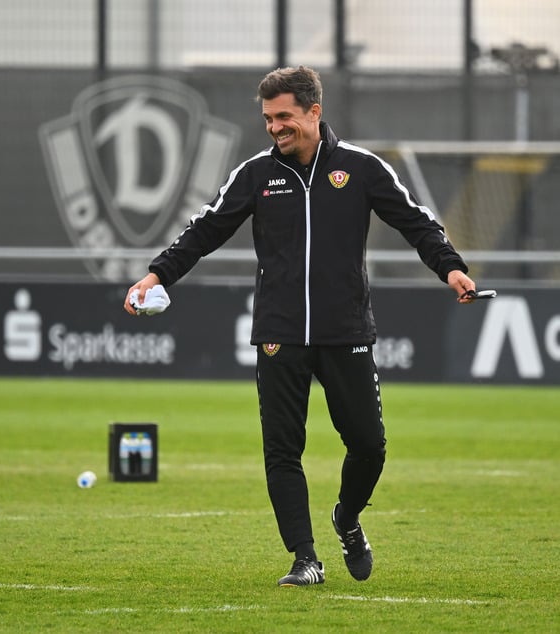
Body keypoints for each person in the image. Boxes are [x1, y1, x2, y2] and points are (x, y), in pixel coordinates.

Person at [124, 66, 480, 586]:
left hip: (346, 331)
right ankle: (304, 559)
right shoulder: (254, 175)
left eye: (284, 116)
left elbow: (416, 222)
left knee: (369, 446)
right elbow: (205, 230)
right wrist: (156, 275)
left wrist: (451, 268)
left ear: (315, 111)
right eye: (268, 119)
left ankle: (348, 518)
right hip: (278, 332)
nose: (275, 127)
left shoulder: (361, 169)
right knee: (282, 451)